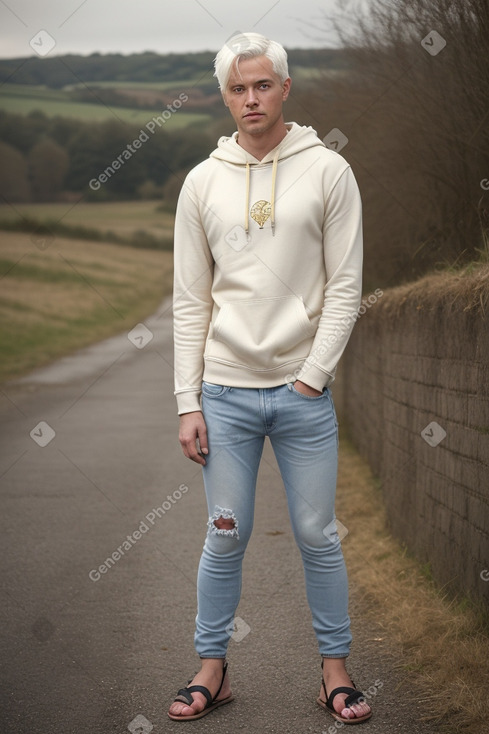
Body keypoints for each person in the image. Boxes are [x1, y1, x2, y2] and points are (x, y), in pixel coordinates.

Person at [168, 32, 372, 725]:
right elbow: (191, 300)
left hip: (300, 395)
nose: (249, 98)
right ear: (223, 95)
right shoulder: (201, 181)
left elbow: (344, 288)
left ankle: (335, 674)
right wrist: (185, 400)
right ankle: (210, 670)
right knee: (224, 533)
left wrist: (313, 378)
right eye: (236, 88)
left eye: (261, 85)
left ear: (284, 87)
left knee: (318, 534)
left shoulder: (328, 171)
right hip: (222, 394)